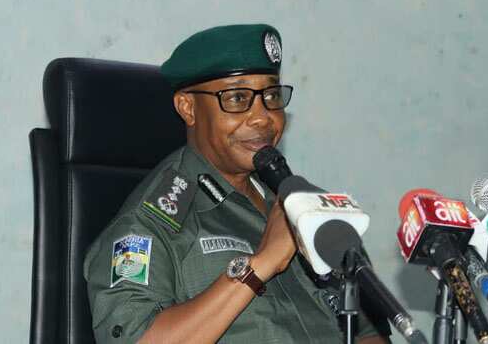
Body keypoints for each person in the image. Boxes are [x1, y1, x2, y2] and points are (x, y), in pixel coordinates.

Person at [84, 24, 392, 344]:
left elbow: (369, 332)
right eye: (237, 98)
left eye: (271, 96)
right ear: (187, 107)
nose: (263, 117)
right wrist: (260, 265)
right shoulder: (148, 224)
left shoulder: (308, 205)